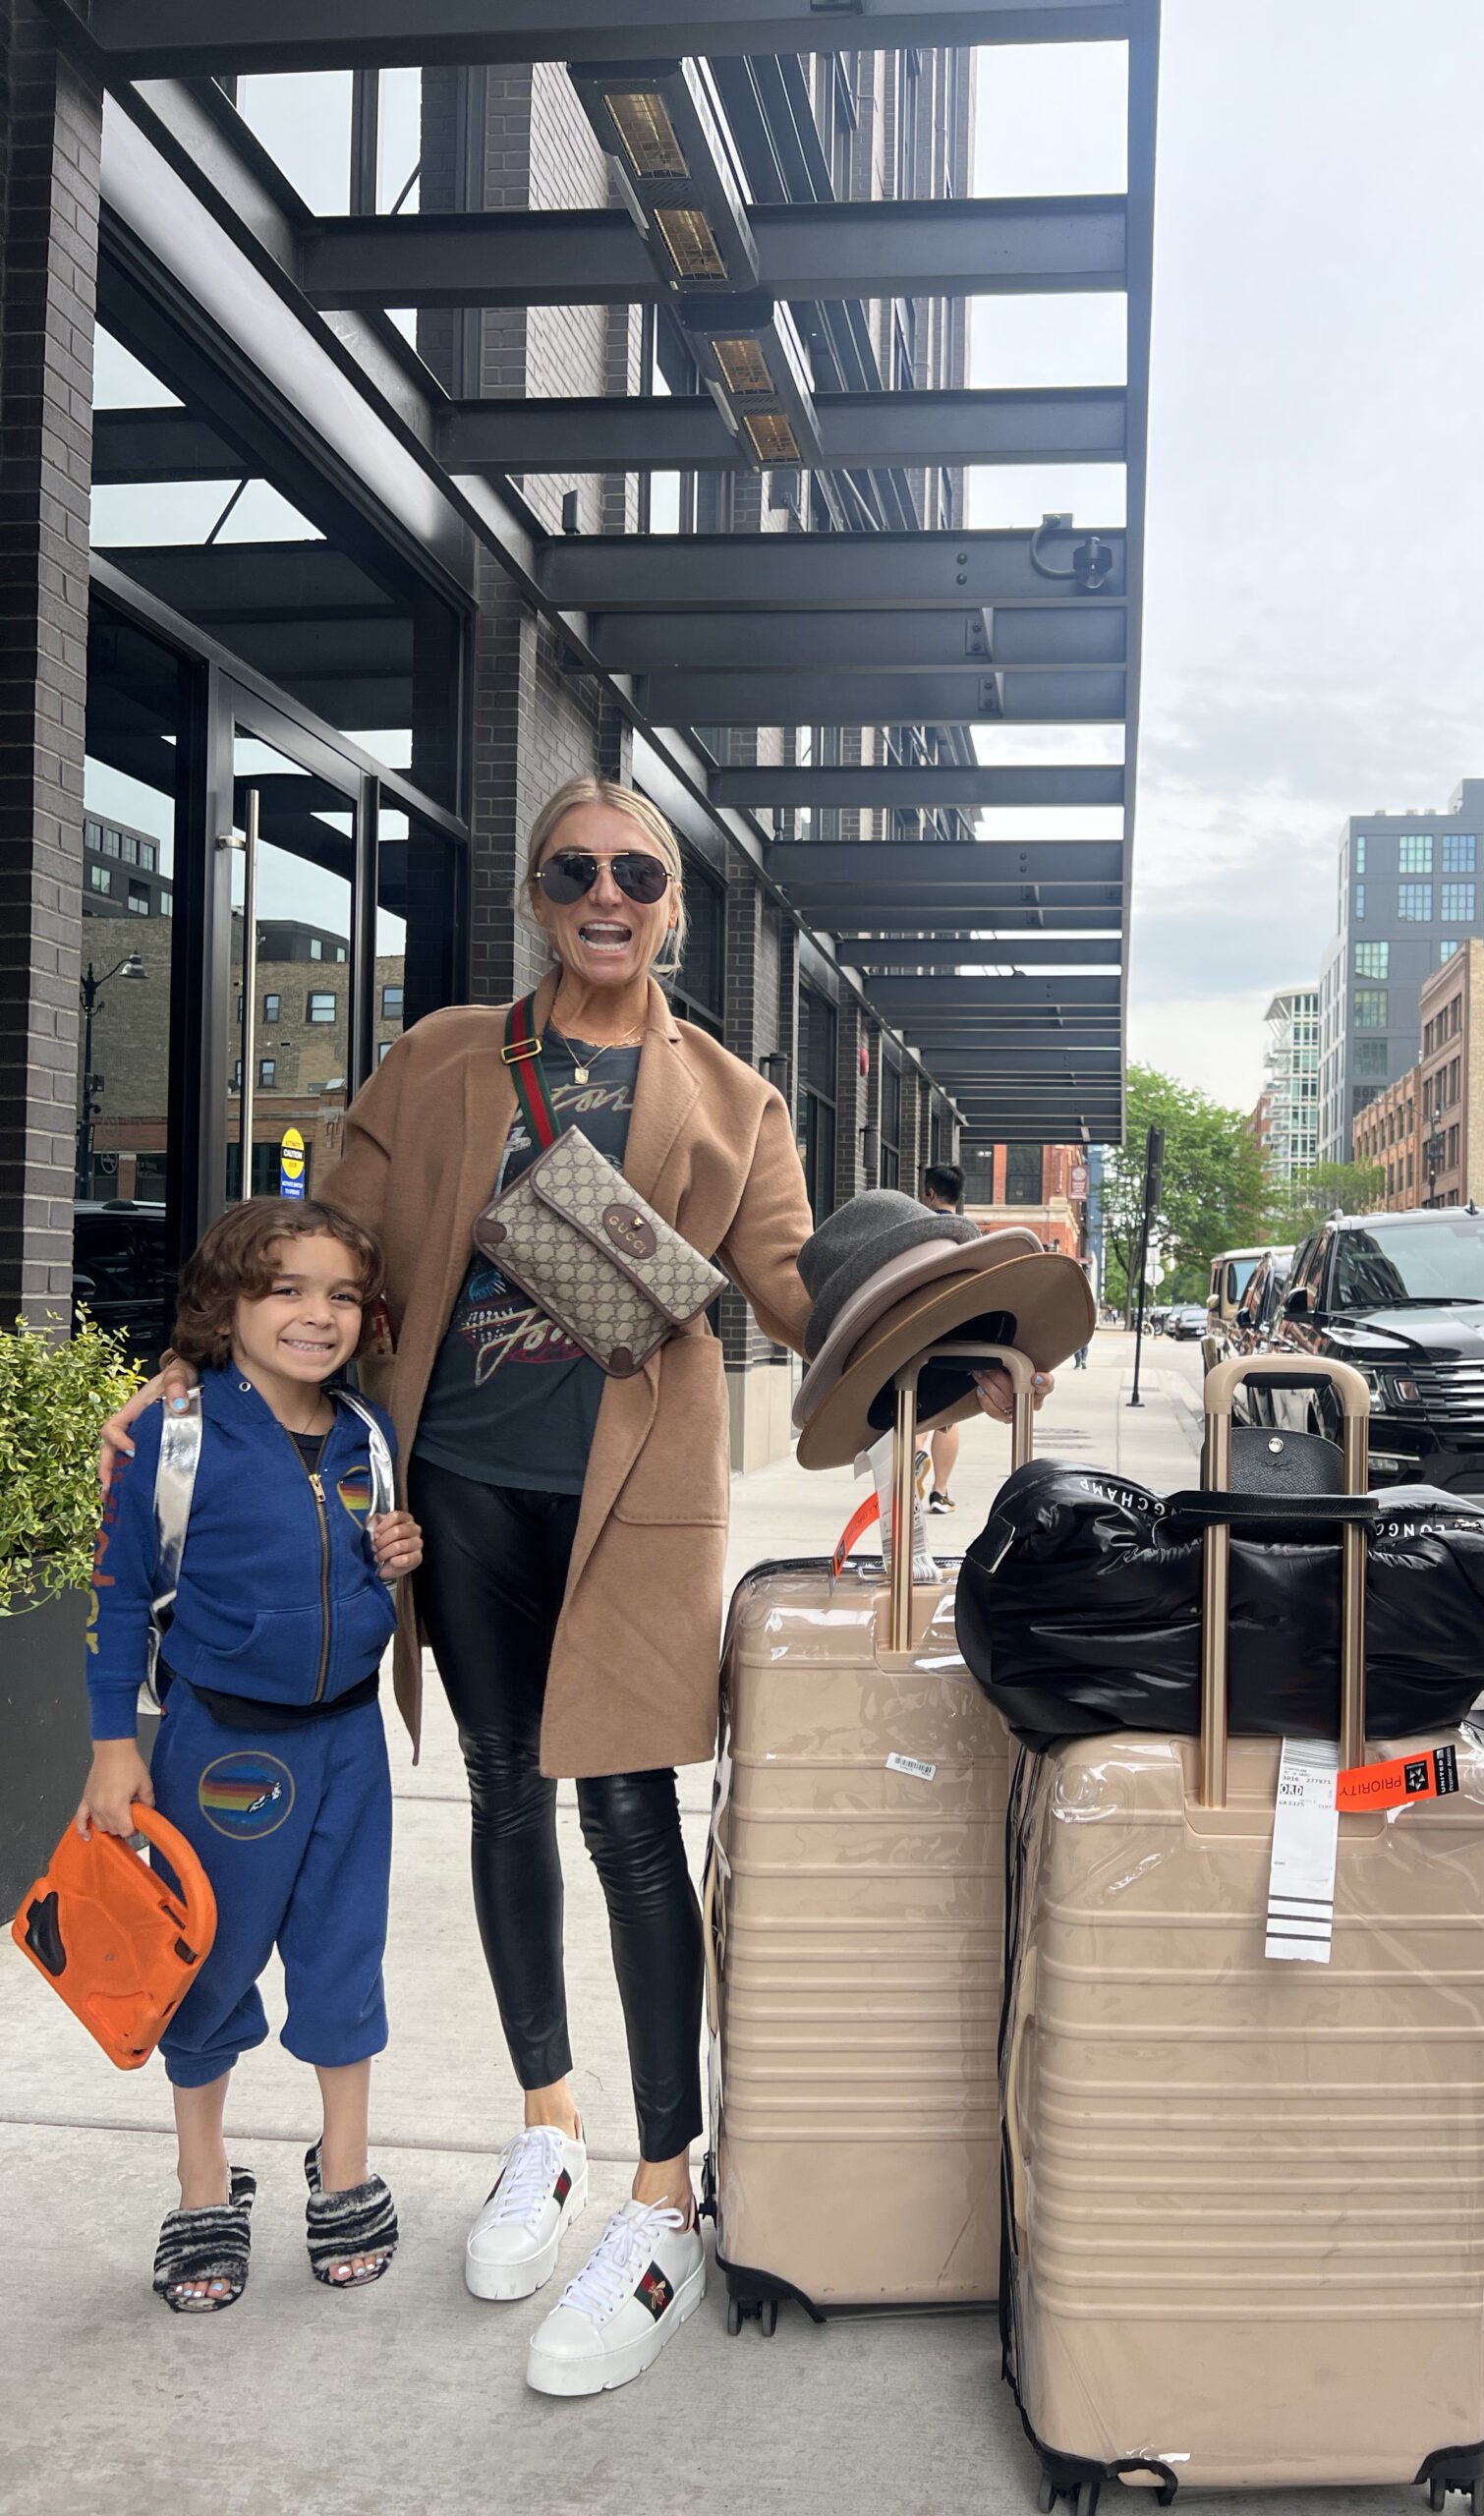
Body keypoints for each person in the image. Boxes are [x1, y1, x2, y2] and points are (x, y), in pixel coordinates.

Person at [101, 777, 1034, 2397]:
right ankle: (548, 2123)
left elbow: (803, 1290)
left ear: (676, 904)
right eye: (572, 870)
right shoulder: (446, 1058)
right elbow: (326, 1247)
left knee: (627, 1819)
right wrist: (186, 1371)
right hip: (453, 1489)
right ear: (537, 897)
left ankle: (663, 2193)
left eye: (636, 872)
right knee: (506, 1796)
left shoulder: (735, 1100)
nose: (604, 893)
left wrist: (950, 1360)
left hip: (633, 1511)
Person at [81, 1199, 424, 2314]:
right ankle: (200, 2183)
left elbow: (361, 1567)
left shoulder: (365, 1433)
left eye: (338, 1294)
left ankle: (348, 2161)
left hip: (349, 1745)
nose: (315, 1315)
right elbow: (120, 1597)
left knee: (343, 1953)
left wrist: (393, 1562)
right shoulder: (172, 1434)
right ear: (227, 1306)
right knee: (207, 1962)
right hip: (219, 1748)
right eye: (284, 1289)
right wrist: (110, 1749)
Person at [919, 1163, 966, 1511]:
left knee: (913, 1414)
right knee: (948, 1419)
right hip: (956, 1334)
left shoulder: (914, 1230)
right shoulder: (970, 1235)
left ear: (929, 1193)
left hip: (916, 1334)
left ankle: (910, 1483)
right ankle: (941, 1491)